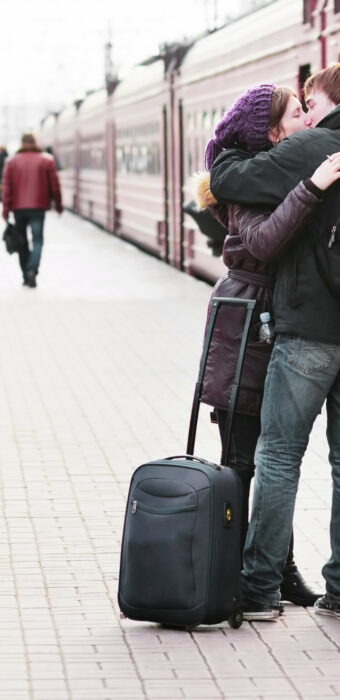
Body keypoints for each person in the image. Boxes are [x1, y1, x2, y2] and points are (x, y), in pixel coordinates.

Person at [197, 84, 340, 619]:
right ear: (274, 133)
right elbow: (259, 243)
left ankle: (271, 576)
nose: (309, 119)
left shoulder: (287, 161)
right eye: (298, 113)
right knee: (245, 457)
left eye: (311, 107)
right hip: (247, 330)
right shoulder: (268, 177)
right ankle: (235, 577)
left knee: (270, 455)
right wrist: (309, 186)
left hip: (284, 323)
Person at [2, 133, 63, 288]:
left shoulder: (12, 161)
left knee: (21, 242)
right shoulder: (46, 160)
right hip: (38, 207)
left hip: (18, 209)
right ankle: (32, 270)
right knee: (37, 241)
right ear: (35, 143)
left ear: (22, 144)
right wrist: (59, 205)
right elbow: (55, 186)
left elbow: (6, 188)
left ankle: (25, 274)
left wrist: (5, 209)